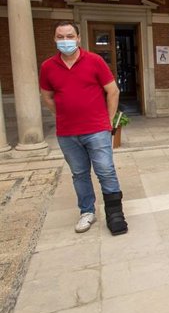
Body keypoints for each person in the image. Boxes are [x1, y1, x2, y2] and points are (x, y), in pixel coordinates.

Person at [39, 21, 128, 235]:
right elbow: (47, 96)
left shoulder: (94, 61)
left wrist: (107, 121)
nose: (65, 40)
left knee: (105, 171)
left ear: (78, 38)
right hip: (67, 133)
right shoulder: (48, 67)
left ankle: (115, 214)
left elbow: (113, 91)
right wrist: (63, 113)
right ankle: (87, 211)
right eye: (60, 36)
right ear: (54, 39)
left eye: (70, 36)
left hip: (96, 129)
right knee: (79, 174)